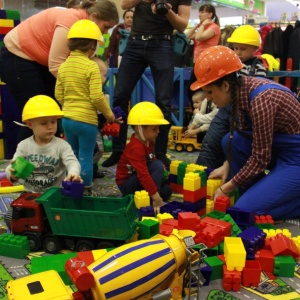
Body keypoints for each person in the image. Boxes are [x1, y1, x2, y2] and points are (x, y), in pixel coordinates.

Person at [191, 45, 300, 220]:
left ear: (225, 85)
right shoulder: (239, 92)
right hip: (276, 150)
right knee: (230, 141)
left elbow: (260, 158)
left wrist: (226, 188)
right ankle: (265, 191)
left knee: (243, 212)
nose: (208, 98)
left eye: (210, 92)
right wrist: (227, 165)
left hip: (294, 158)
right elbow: (242, 136)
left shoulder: (261, 100)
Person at [0, 0, 119, 144]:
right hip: (17, 56)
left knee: (54, 112)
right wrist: (78, 90)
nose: (106, 32)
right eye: (106, 27)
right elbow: (57, 65)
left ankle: (51, 159)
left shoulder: (86, 29)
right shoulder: (71, 21)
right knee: (40, 113)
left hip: (38, 61)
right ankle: (22, 163)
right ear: (93, 16)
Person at [102, 0, 192, 168]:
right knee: (120, 95)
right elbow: (124, 5)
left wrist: (167, 11)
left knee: (163, 101)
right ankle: (118, 150)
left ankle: (159, 153)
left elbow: (182, 25)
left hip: (163, 43)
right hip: (135, 42)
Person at [55, 20, 121, 189]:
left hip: (67, 120)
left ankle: (70, 184)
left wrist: (70, 106)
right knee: (85, 156)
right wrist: (109, 115)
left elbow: (58, 95)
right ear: (92, 46)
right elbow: (97, 97)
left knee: (73, 154)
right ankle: (85, 187)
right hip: (86, 121)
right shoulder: (91, 67)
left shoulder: (63, 67)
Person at [196, 25, 267, 169]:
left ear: (254, 49)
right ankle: (202, 172)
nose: (239, 52)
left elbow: (259, 90)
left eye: (243, 49)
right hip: (225, 109)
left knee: (234, 145)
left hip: (246, 112)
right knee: (211, 141)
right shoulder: (228, 64)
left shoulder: (258, 68)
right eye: (236, 48)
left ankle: (230, 175)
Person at [5, 95, 82, 192]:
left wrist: (73, 173)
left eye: (53, 122)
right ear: (30, 124)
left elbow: (72, 162)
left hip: (54, 194)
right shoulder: (24, 146)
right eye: (44, 123)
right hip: (30, 194)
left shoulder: (62, 145)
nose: (50, 127)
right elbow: (11, 167)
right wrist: (13, 175)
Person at [116, 102, 172, 214]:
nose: (158, 132)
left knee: (167, 190)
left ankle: (148, 196)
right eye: (154, 129)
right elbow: (143, 173)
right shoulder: (135, 147)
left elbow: (150, 160)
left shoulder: (148, 141)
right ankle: (150, 200)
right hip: (127, 184)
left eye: (158, 128)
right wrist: (155, 197)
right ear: (139, 129)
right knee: (157, 166)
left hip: (138, 178)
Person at [186, 3, 220, 107]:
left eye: (202, 12)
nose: (199, 15)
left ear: (210, 14)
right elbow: (188, 36)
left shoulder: (214, 27)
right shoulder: (202, 28)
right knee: (192, 91)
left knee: (202, 91)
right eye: (199, 12)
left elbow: (199, 37)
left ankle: (202, 114)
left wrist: (204, 25)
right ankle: (196, 114)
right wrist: (197, 25)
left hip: (207, 63)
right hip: (197, 63)